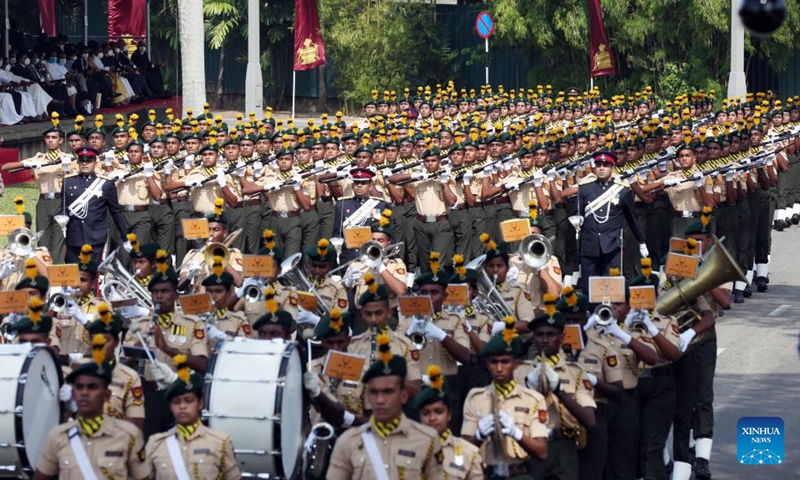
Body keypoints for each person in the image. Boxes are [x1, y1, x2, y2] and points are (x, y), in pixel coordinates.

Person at [33, 336, 150, 480]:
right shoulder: (58, 436)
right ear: (72, 393)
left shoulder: (128, 436)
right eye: (79, 387)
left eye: (92, 387)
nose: (84, 393)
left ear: (106, 395)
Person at [326, 336, 444, 479]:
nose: (380, 400)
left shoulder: (427, 440)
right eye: (374, 392)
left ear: (403, 396)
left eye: (388, 391)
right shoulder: (348, 442)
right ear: (368, 396)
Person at [462, 318, 548, 479]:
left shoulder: (533, 399)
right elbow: (464, 452)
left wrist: (517, 434)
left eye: (505, 362)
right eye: (494, 362)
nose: (499, 368)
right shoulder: (475, 398)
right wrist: (479, 436)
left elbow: (541, 452)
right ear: (487, 364)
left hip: (520, 474)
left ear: (515, 364)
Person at [145, 356, 240, 479]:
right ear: (170, 407)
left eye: (189, 401)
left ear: (200, 404)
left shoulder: (220, 442)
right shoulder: (156, 443)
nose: (182, 406)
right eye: (176, 402)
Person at [1, 115, 75, 263]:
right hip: (43, 202)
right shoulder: (38, 158)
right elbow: (5, 167)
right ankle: (45, 271)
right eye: (47, 137)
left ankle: (57, 274)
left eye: (54, 137)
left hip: (61, 201)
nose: (50, 140)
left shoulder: (68, 158)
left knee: (59, 242)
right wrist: (29, 164)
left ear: (60, 140)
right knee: (43, 242)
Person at [578, 150, 648, 291]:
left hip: (611, 246)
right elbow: (578, 214)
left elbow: (632, 219)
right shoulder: (584, 189)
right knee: (589, 288)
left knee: (611, 287)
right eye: (598, 165)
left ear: (612, 167)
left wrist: (641, 241)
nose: (602, 168)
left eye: (606, 165)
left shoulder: (622, 192)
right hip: (589, 244)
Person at [414, 365, 484, 480]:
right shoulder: (407, 449)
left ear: (449, 415)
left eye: (439, 412)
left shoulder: (468, 453)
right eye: (426, 413)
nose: (432, 418)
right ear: (420, 417)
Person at [63, 146, 129, 264]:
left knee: (92, 276)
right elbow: (63, 208)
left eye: (88, 161)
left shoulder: (106, 184)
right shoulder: (68, 181)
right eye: (81, 161)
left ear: (95, 162)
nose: (84, 164)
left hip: (95, 237)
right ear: (77, 162)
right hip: (74, 236)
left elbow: (116, 212)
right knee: (73, 276)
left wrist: (125, 237)